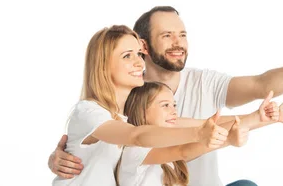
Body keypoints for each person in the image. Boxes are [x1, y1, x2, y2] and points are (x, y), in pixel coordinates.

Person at [49, 6, 283, 186]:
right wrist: (59, 157)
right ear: (145, 45)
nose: (179, 43)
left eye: (182, 34)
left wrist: (267, 116)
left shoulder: (199, 84)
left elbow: (257, 88)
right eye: (167, 36)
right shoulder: (130, 106)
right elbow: (139, 136)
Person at [52, 25, 232, 186]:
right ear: (103, 65)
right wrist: (198, 134)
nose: (140, 62)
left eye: (139, 54)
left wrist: (255, 118)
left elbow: (193, 123)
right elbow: (136, 136)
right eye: (127, 56)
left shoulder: (127, 116)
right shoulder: (89, 111)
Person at [117, 82, 283, 186]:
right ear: (141, 112)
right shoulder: (134, 149)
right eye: (165, 105)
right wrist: (229, 139)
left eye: (174, 105)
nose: (173, 110)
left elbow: (215, 126)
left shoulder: (169, 146)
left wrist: (268, 117)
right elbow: (184, 150)